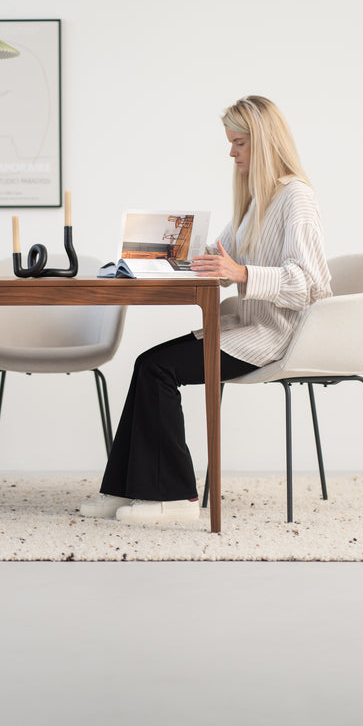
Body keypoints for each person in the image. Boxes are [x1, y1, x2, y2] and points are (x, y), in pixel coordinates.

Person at [80, 95, 332, 524]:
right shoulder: (256, 202)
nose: (231, 153)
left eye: (239, 143)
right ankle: (125, 490)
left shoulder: (296, 198)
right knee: (148, 364)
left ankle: (175, 500)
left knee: (159, 369)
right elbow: (221, 259)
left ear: (265, 143)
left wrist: (242, 273)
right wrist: (159, 261)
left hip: (272, 337)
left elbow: (311, 286)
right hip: (244, 328)